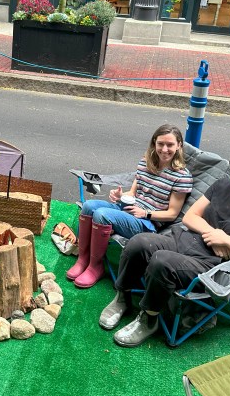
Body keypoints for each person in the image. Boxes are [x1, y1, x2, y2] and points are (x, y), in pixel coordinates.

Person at [101, 149, 230, 347]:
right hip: (187, 239)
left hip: (211, 263)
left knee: (162, 261)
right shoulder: (223, 185)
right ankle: (123, 297)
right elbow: (190, 217)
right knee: (139, 242)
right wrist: (214, 235)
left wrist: (228, 240)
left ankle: (149, 319)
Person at [67, 124, 193, 289]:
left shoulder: (182, 176)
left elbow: (172, 214)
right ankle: (83, 259)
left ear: (179, 146)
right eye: (160, 143)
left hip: (147, 223)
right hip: (129, 210)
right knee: (89, 206)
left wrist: (146, 213)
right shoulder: (146, 163)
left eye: (170, 145)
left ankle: (95, 266)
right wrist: (120, 196)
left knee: (102, 214)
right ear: (154, 143)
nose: (164, 149)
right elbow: (133, 193)